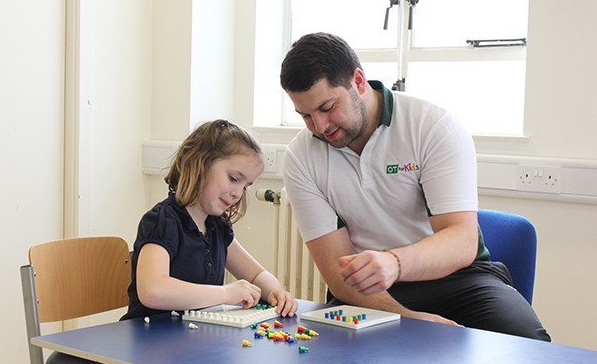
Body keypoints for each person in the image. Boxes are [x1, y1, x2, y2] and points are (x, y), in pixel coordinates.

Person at [279, 32, 550, 341]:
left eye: (327, 107)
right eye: (306, 116)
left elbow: (461, 241)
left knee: (527, 343)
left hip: (461, 279)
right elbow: (337, 274)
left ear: (358, 81)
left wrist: (395, 263)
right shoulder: (301, 157)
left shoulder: (432, 126)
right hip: (367, 288)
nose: (320, 127)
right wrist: (410, 319)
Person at [121, 119, 297, 320]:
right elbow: (153, 290)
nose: (238, 194)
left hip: (194, 339)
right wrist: (226, 293)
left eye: (245, 186)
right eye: (233, 179)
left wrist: (275, 291)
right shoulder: (162, 221)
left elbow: (256, 275)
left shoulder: (217, 226)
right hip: (150, 341)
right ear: (200, 164)